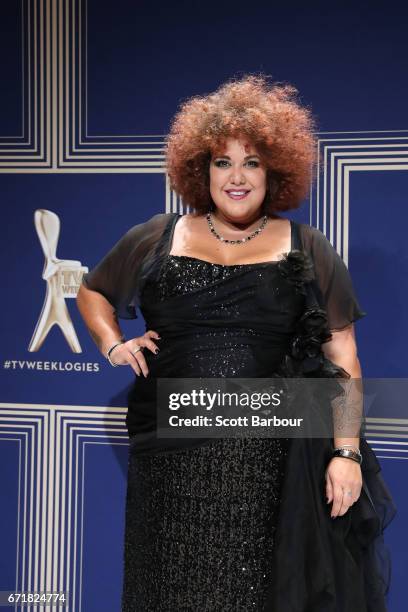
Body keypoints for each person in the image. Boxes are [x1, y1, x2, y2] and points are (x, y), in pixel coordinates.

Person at [76, 75, 396, 611]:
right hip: (168, 451)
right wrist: (113, 344)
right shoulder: (157, 234)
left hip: (266, 457)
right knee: (169, 584)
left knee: (251, 590)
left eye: (252, 162)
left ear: (275, 171)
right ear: (201, 170)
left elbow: (344, 355)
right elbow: (92, 292)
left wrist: (345, 453)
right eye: (223, 162)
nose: (237, 177)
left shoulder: (308, 247)